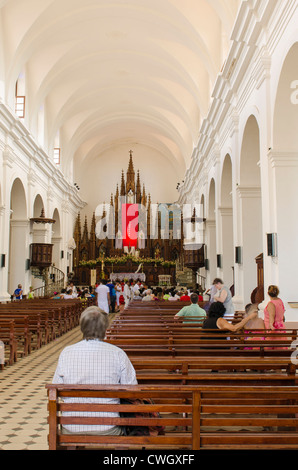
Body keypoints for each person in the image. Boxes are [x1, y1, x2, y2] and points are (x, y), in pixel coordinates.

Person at [52, 306, 137, 435]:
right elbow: (132, 389)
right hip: (108, 427)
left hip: (72, 426)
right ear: (105, 329)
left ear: (82, 328)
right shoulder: (117, 353)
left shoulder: (67, 352)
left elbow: (56, 388)